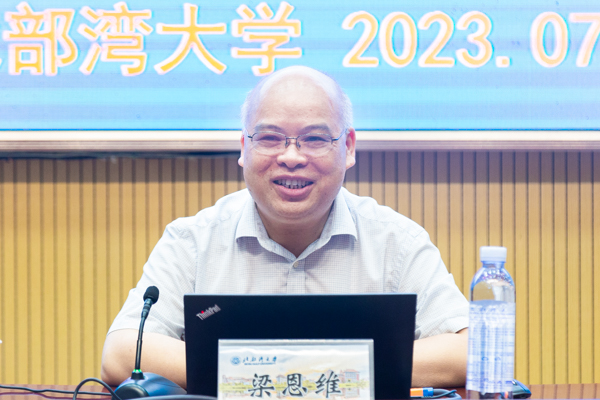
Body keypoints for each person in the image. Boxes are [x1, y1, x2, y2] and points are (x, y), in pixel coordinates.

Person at [101, 66, 469, 389]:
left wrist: (274, 370)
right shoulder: (193, 240)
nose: (291, 157)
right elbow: (122, 353)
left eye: (315, 139)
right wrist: (306, 370)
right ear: (244, 147)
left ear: (349, 147)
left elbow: (468, 351)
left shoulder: (396, 241)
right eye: (270, 138)